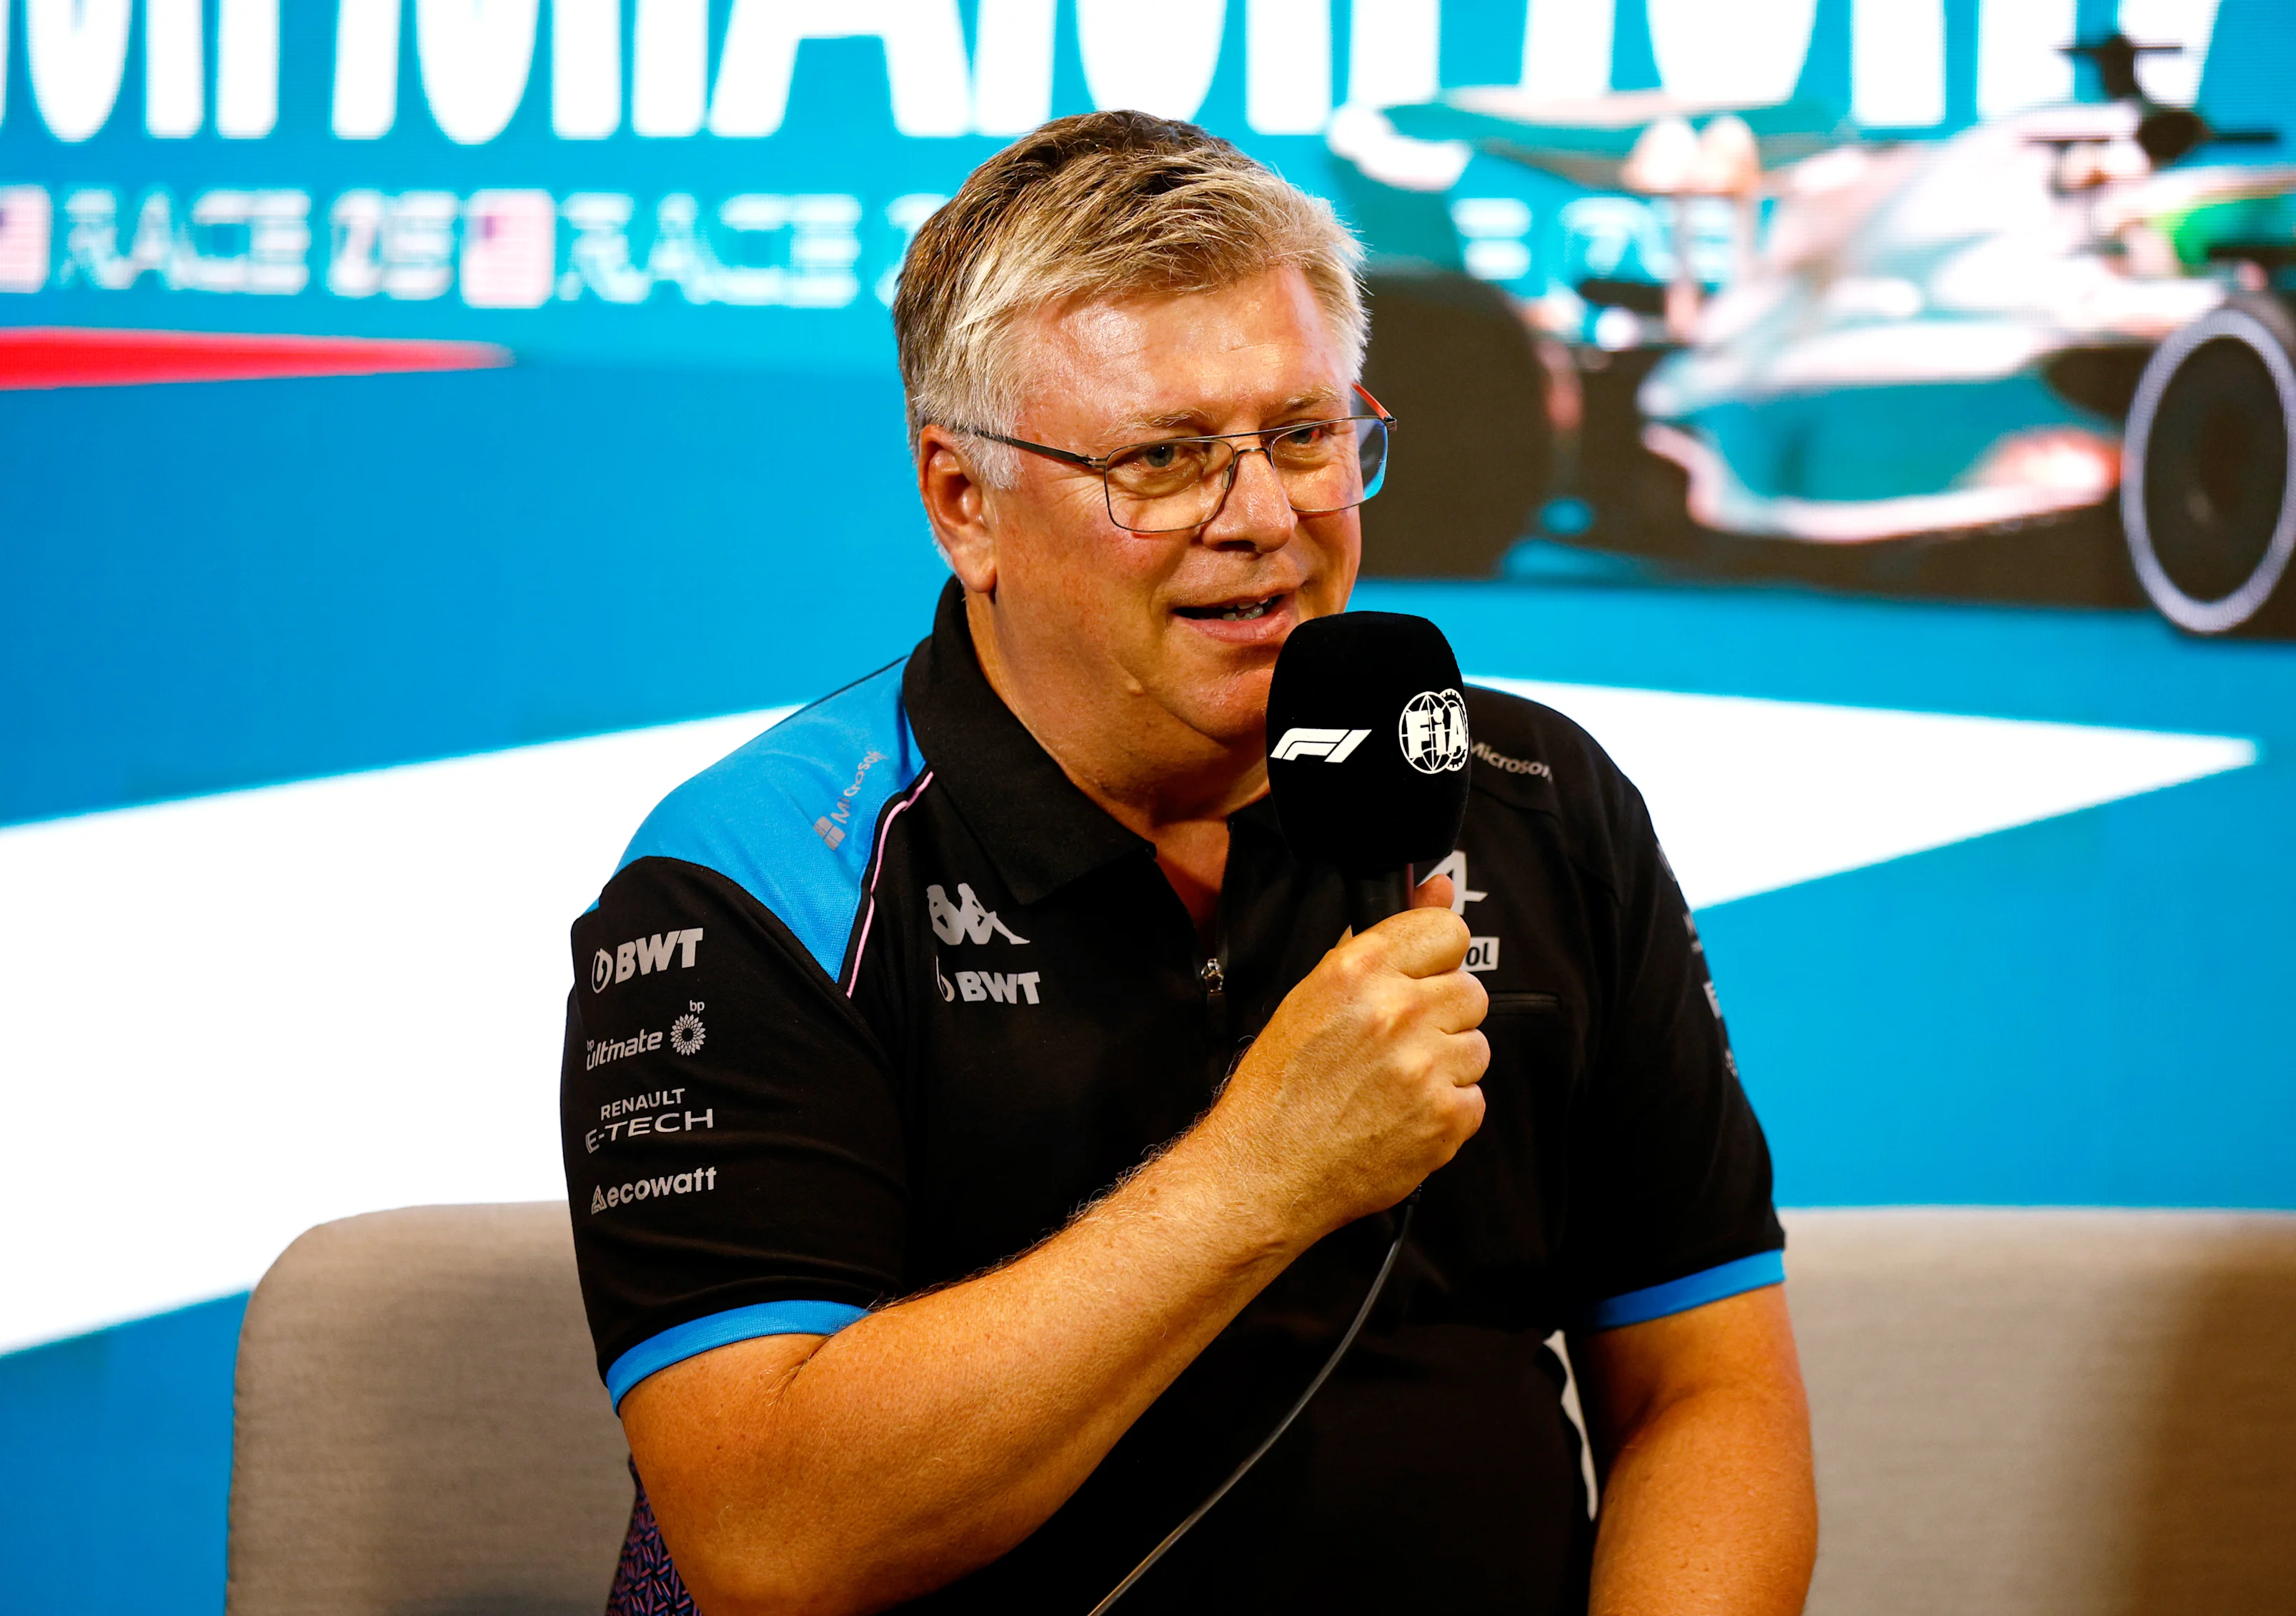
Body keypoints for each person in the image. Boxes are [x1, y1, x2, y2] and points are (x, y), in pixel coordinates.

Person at [560, 110, 1815, 1616]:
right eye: (1164, 459)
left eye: (1304, 435)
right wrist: (1266, 1165)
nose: (1266, 518)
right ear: (966, 502)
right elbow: (771, 1537)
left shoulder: (1532, 801)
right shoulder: (754, 878)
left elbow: (1705, 1393)